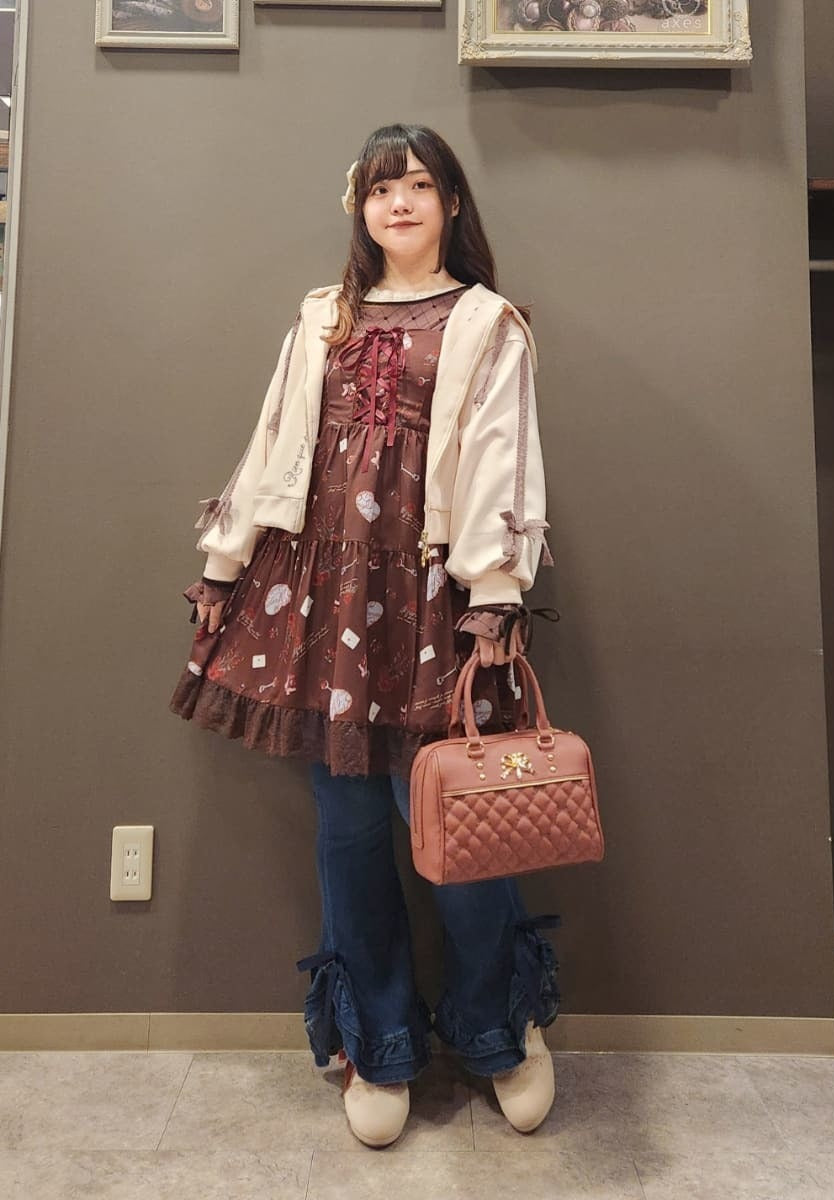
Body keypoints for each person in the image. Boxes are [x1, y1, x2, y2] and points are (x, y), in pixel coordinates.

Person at [169, 123, 562, 1148]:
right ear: (362, 206)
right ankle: (376, 1040)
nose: (400, 203)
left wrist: (496, 593)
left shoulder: (488, 322)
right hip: (322, 598)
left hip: (436, 599)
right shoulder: (323, 317)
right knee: (346, 832)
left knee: (457, 830)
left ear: (451, 203)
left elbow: (505, 457)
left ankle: (496, 1027)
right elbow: (273, 443)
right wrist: (223, 565)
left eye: (419, 186)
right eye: (383, 188)